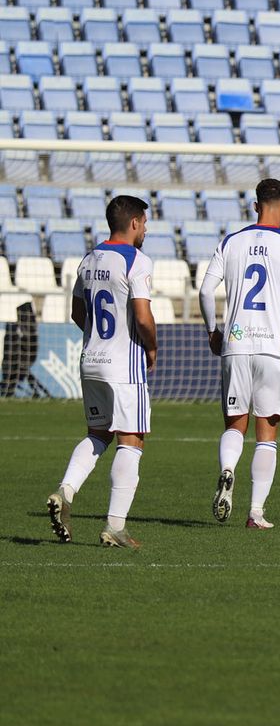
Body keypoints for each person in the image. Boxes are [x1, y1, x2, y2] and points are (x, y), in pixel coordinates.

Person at [200, 179, 280, 530]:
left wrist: (212, 331)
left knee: (235, 424)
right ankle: (256, 513)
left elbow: (205, 291)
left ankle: (228, 469)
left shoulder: (230, 242)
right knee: (267, 434)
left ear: (255, 206)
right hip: (271, 348)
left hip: (235, 344)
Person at [47, 195, 157, 549]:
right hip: (124, 365)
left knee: (98, 434)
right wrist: (151, 346)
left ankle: (66, 490)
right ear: (136, 222)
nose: (146, 229)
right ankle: (115, 527)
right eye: (145, 222)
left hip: (90, 359)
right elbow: (142, 315)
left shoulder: (89, 258)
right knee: (132, 438)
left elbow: (78, 313)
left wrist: (96, 338)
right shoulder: (136, 261)